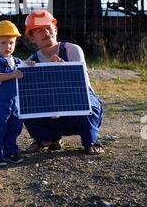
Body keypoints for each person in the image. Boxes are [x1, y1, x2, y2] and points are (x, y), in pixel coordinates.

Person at [24, 9, 104, 155]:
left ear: (55, 29)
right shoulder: (31, 60)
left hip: (78, 102)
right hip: (49, 106)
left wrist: (63, 69)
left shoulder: (72, 50)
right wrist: (27, 75)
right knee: (24, 106)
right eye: (39, 31)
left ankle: (90, 142)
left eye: (48, 28)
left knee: (89, 104)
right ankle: (47, 139)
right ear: (31, 38)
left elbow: (80, 84)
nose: (46, 33)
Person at [0, 20, 34, 167]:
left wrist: (29, 65)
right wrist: (13, 75)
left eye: (11, 43)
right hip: (2, 101)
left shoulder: (17, 60)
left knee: (15, 127)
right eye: (3, 43)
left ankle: (10, 151)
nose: (8, 46)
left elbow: (23, 72)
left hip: (16, 101)